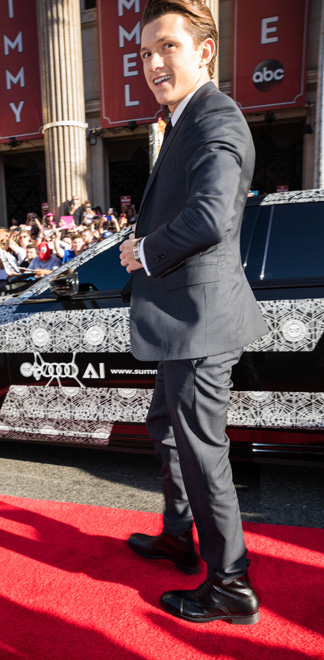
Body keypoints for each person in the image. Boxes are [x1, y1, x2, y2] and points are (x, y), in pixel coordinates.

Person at [119, 0, 267, 626]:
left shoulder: (215, 117)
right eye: (145, 53)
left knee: (203, 452)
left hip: (199, 323)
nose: (153, 63)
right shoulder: (185, 119)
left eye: (168, 47)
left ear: (205, 50)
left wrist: (144, 251)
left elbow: (210, 216)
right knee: (165, 429)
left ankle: (231, 584)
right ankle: (179, 537)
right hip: (183, 321)